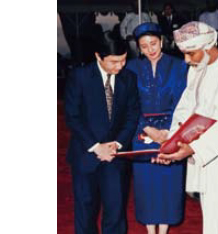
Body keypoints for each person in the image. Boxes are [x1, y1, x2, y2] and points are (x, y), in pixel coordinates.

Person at [152, 21, 218, 234]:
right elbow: (186, 106)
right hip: (206, 155)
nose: (187, 60)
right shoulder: (198, 67)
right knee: (212, 214)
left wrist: (194, 149)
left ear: (208, 47)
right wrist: (171, 141)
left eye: (191, 53)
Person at [64, 31, 140, 234]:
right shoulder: (79, 77)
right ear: (98, 56)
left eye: (123, 60)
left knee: (115, 213)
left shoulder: (129, 78)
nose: (120, 66)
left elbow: (133, 114)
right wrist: (97, 147)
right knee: (85, 212)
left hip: (115, 157)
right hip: (85, 155)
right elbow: (72, 116)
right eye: (114, 62)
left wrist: (118, 144)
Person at [125, 22, 188, 234]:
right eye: (144, 46)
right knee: (147, 186)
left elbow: (183, 101)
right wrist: (147, 128)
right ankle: (151, 231)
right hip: (141, 132)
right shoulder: (131, 68)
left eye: (153, 43)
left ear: (161, 41)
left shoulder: (179, 66)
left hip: (172, 131)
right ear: (138, 48)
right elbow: (129, 103)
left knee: (168, 184)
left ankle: (165, 229)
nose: (150, 49)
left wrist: (168, 132)